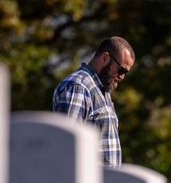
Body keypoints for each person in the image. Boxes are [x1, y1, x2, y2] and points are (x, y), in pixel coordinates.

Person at [53, 36, 135, 168]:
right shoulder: (78, 86)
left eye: (126, 72)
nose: (122, 76)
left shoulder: (102, 89)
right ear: (105, 58)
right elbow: (65, 148)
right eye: (121, 69)